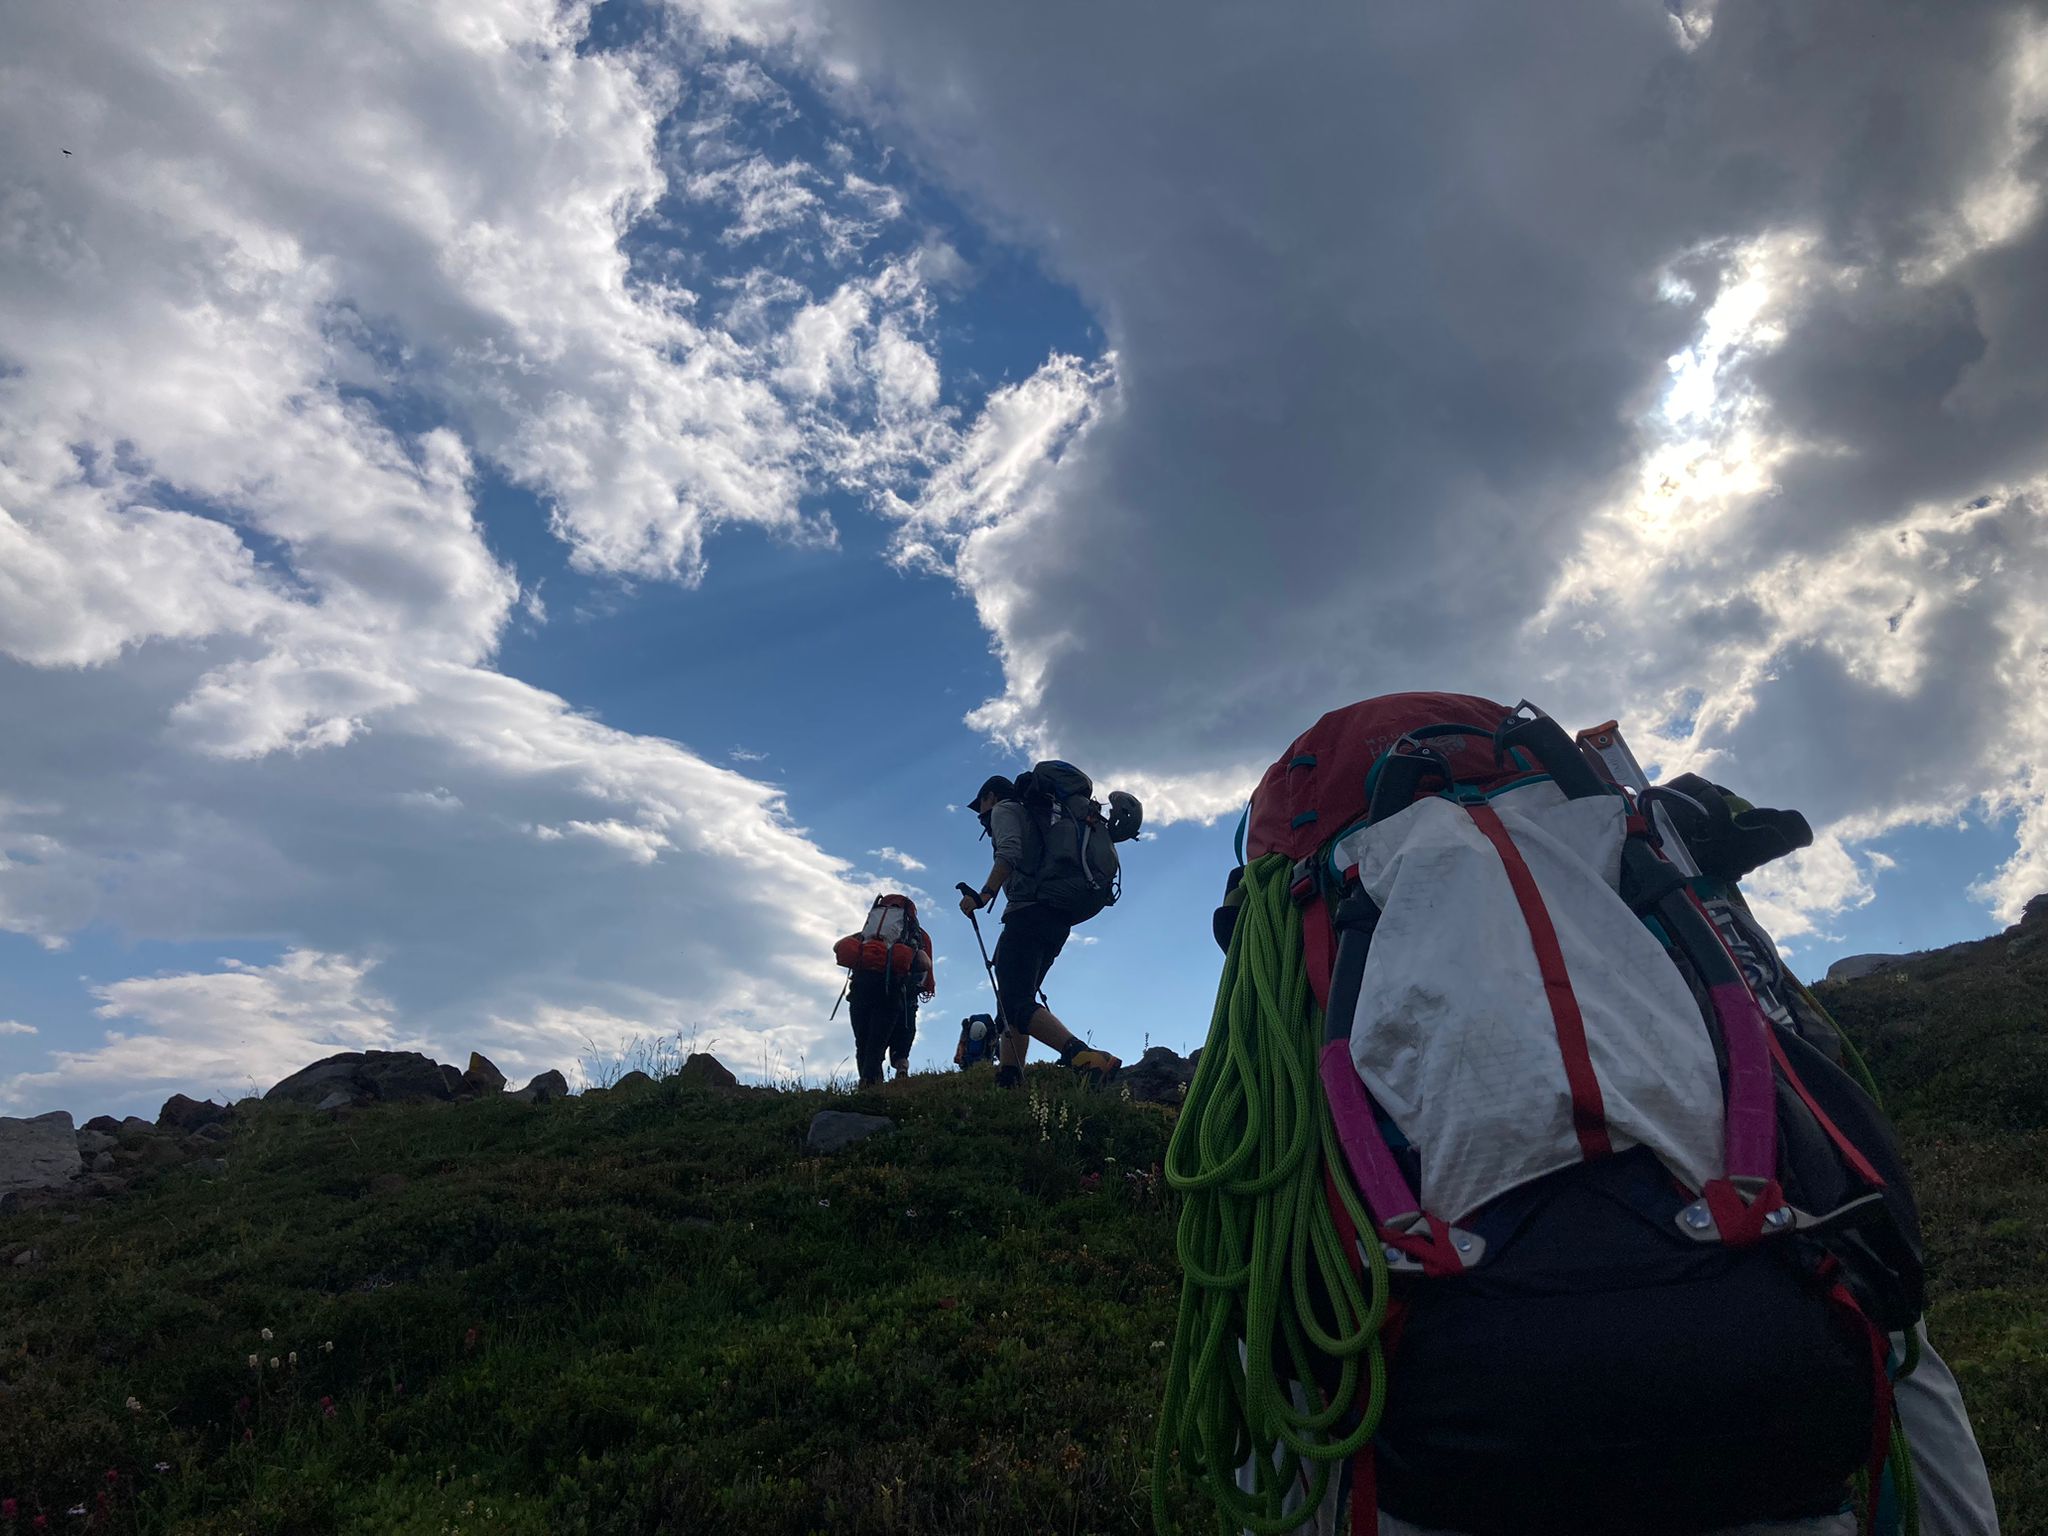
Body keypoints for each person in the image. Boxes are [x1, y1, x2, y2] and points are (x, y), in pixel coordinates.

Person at [961, 774, 1122, 1088]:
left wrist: (983, 895)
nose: (980, 814)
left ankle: (1084, 1057)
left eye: (980, 805)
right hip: (1056, 918)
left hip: (1029, 913)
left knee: (1016, 1000)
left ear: (990, 796)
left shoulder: (1005, 809)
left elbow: (1008, 852)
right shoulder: (1041, 816)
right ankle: (1010, 1076)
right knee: (1014, 1001)